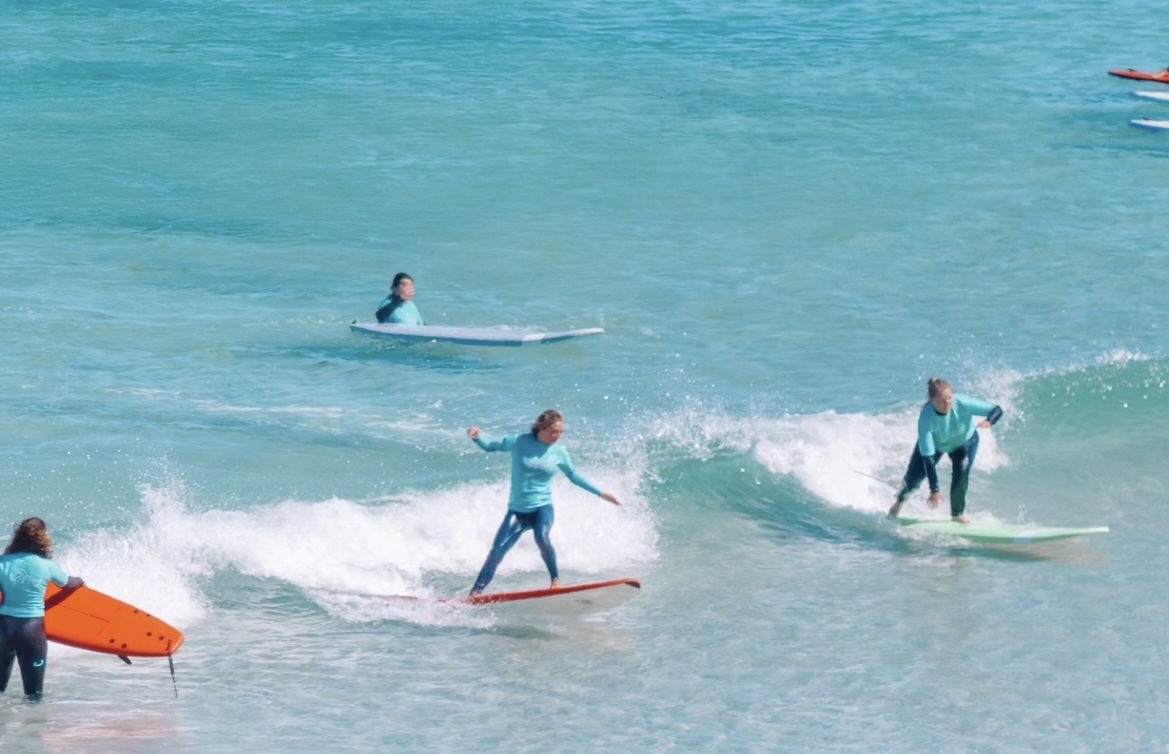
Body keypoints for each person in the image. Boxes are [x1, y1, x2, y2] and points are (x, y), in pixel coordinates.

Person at [466, 410, 621, 595]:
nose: (558, 436)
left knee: (542, 536)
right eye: (554, 431)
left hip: (542, 508)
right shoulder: (519, 442)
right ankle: (476, 593)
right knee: (497, 551)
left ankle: (555, 581)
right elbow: (491, 446)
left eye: (561, 432)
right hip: (517, 512)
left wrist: (600, 493)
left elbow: (573, 475)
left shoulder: (560, 452)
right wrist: (476, 437)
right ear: (541, 427)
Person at [887, 377, 1003, 524]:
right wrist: (934, 490)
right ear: (932, 401)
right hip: (936, 446)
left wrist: (989, 421)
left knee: (962, 470)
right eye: (942, 400)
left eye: (949, 398)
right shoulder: (926, 418)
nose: (948, 403)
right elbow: (928, 459)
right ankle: (899, 502)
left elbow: (996, 409)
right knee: (913, 479)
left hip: (965, 442)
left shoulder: (962, 403)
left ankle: (957, 514)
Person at [0, 517, 84, 701]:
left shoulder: (2, 562)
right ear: (43, 538)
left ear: (17, 536)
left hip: (4, 629)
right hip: (32, 631)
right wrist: (80, 581)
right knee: (34, 694)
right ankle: (33, 728)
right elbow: (68, 584)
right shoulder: (47, 566)